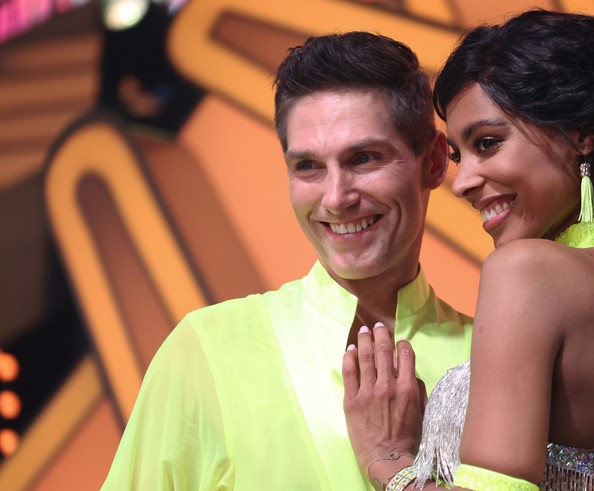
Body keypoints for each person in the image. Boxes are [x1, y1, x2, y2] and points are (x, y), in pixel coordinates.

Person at [342, 10, 594, 491]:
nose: (462, 182)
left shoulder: (526, 272)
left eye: (488, 143)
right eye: (460, 156)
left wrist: (388, 460)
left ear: (581, 132)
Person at [101, 32, 473, 490]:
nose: (336, 199)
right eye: (308, 167)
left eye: (364, 158)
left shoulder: (493, 360)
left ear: (434, 162)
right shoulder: (207, 350)